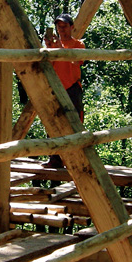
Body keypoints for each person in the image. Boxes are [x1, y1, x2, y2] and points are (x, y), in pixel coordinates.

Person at [42, 13, 85, 168]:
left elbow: (76, 62)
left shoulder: (78, 45)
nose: (62, 29)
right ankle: (55, 159)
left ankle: (78, 157)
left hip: (72, 87)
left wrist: (60, 48)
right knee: (52, 122)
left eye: (65, 26)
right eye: (59, 27)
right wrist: (49, 48)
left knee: (75, 123)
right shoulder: (53, 45)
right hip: (55, 86)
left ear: (71, 27)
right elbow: (49, 65)